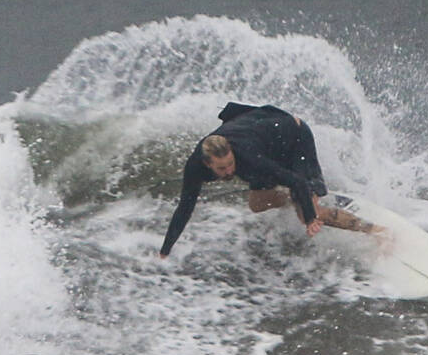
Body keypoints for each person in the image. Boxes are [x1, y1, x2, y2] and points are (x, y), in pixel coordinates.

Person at [159, 102, 382, 258]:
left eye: (230, 164)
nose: (229, 171)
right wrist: (166, 249)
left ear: (231, 152)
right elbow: (185, 207)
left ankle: (377, 232)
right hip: (267, 138)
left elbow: (297, 180)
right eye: (222, 168)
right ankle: (295, 198)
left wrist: (311, 217)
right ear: (208, 164)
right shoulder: (195, 166)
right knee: (257, 204)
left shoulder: (247, 157)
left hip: (294, 137)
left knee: (307, 214)